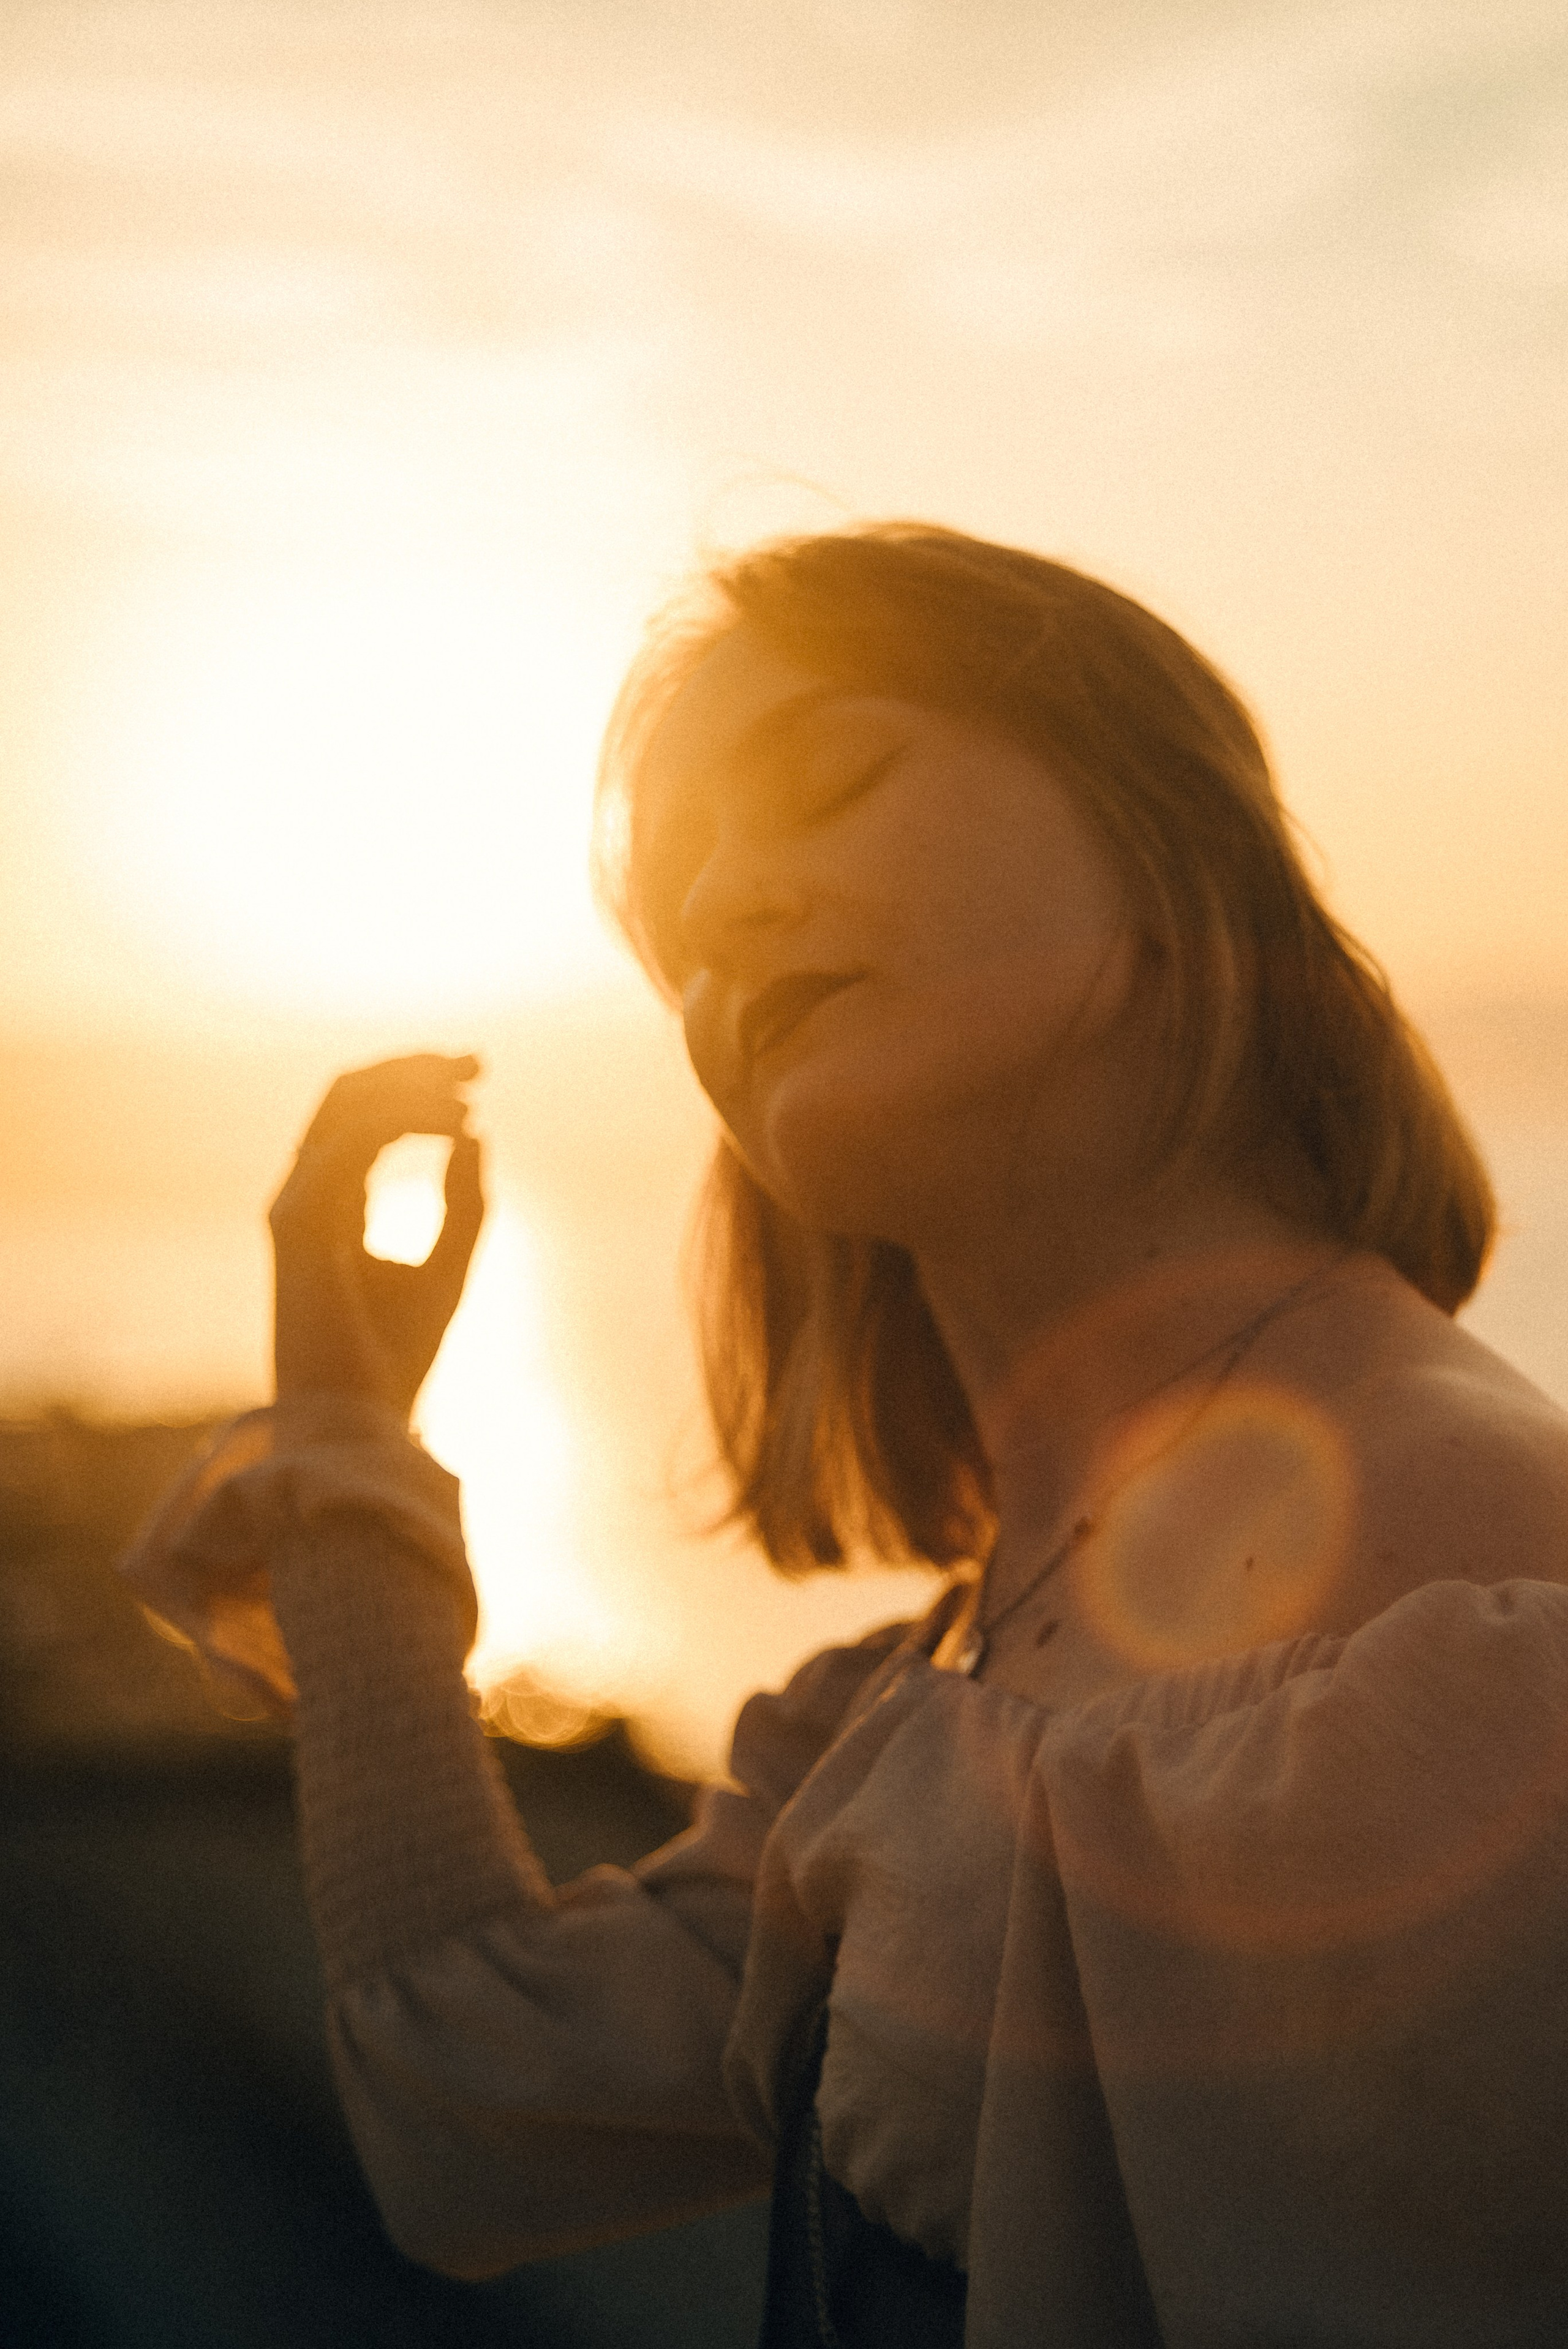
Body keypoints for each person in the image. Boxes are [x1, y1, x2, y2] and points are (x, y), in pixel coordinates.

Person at [124, 524, 1568, 2347]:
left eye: (825, 782)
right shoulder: (950, 1675)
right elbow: (471, 2119)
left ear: (1160, 846)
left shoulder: (1453, 1550)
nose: (725, 910)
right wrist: (343, 1445)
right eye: (677, 903)